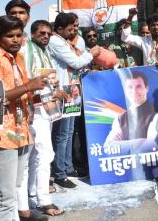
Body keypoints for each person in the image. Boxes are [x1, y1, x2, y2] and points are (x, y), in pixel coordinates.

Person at [0, 16, 49, 221]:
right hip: (0, 135)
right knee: (4, 196)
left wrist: (38, 91)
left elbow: (20, 92)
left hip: (20, 130)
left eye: (19, 35)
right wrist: (28, 87)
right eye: (10, 36)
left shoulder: (16, 58)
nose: (16, 40)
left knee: (15, 188)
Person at [16, 20, 64, 219]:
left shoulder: (43, 52)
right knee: (35, 156)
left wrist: (56, 90)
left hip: (45, 110)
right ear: (33, 34)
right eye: (41, 33)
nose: (45, 36)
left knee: (41, 156)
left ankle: (33, 196)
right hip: (32, 109)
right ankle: (36, 202)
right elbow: (24, 81)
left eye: (48, 33)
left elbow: (45, 82)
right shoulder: (27, 49)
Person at [48, 12, 100, 188]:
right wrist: (91, 54)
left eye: (76, 27)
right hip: (63, 90)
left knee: (69, 133)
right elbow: (77, 62)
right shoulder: (55, 42)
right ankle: (60, 173)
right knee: (62, 134)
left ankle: (67, 167)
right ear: (60, 28)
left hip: (72, 90)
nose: (74, 31)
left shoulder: (66, 41)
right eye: (71, 28)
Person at [122, 9, 158, 142]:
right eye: (153, 25)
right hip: (151, 84)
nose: (155, 27)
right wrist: (131, 16)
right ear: (149, 27)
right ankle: (156, 150)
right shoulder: (145, 41)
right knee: (152, 117)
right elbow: (125, 37)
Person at [105, 71, 158, 150]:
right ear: (125, 90)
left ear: (146, 88)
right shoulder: (120, 118)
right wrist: (140, 142)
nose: (134, 91)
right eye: (130, 87)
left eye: (138, 86)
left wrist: (122, 146)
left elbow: (153, 146)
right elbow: (108, 147)